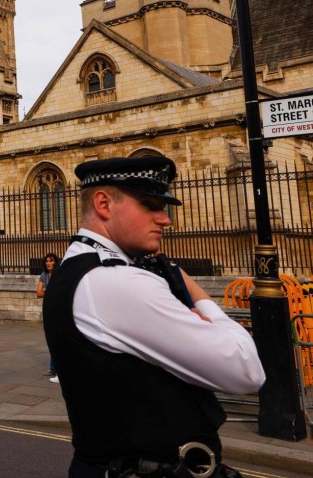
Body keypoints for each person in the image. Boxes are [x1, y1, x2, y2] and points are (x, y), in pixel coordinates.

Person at [43, 156, 266, 478]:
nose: (165, 219)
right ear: (104, 204)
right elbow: (246, 370)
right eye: (150, 205)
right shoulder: (116, 281)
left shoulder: (78, 269)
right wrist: (198, 297)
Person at [36, 252, 59, 382]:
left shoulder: (59, 274)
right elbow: (38, 293)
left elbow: (58, 291)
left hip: (58, 310)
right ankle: (52, 368)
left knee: (58, 339)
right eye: (46, 261)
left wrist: (46, 290)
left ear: (55, 262)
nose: (48, 263)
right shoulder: (44, 275)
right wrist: (50, 291)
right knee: (50, 339)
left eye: (51, 261)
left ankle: (58, 368)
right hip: (48, 310)